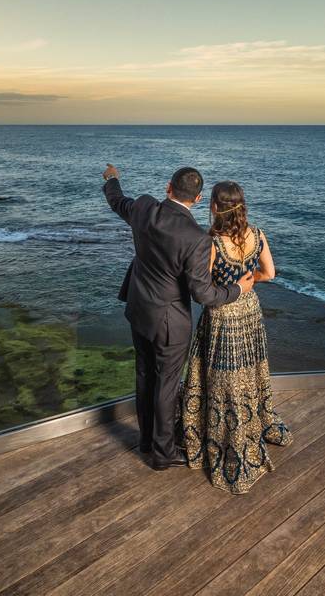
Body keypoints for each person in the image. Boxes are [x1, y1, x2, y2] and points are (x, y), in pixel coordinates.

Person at [102, 164, 254, 470]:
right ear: (198, 200)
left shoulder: (144, 207)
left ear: (168, 187)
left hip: (138, 309)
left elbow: (118, 201)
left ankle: (146, 441)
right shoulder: (197, 239)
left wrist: (112, 179)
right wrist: (238, 289)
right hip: (170, 322)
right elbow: (204, 295)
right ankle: (162, 454)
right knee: (167, 386)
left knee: (144, 375)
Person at [182, 180, 292, 494]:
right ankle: (253, 423)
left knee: (222, 378)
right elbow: (269, 273)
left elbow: (203, 294)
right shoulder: (257, 234)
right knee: (250, 371)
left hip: (223, 314)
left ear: (214, 206)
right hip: (250, 310)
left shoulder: (211, 242)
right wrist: (249, 281)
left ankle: (226, 435)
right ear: (242, 205)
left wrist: (232, 288)